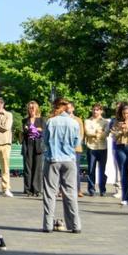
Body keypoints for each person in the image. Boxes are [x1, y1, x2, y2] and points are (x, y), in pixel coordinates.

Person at [41, 98, 82, 233]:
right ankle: (75, 225)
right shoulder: (74, 122)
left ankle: (48, 225)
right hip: (69, 160)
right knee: (70, 193)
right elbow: (77, 142)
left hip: (52, 159)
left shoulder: (51, 122)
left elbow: (45, 141)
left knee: (50, 193)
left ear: (56, 107)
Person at [82, 104, 110, 197]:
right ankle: (91, 189)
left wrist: (97, 133)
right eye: (94, 109)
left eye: (97, 110)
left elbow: (106, 133)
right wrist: (99, 132)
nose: (95, 111)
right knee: (91, 169)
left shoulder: (105, 122)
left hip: (103, 148)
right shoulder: (87, 121)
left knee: (102, 170)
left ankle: (102, 189)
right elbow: (87, 132)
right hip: (91, 147)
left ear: (101, 111)